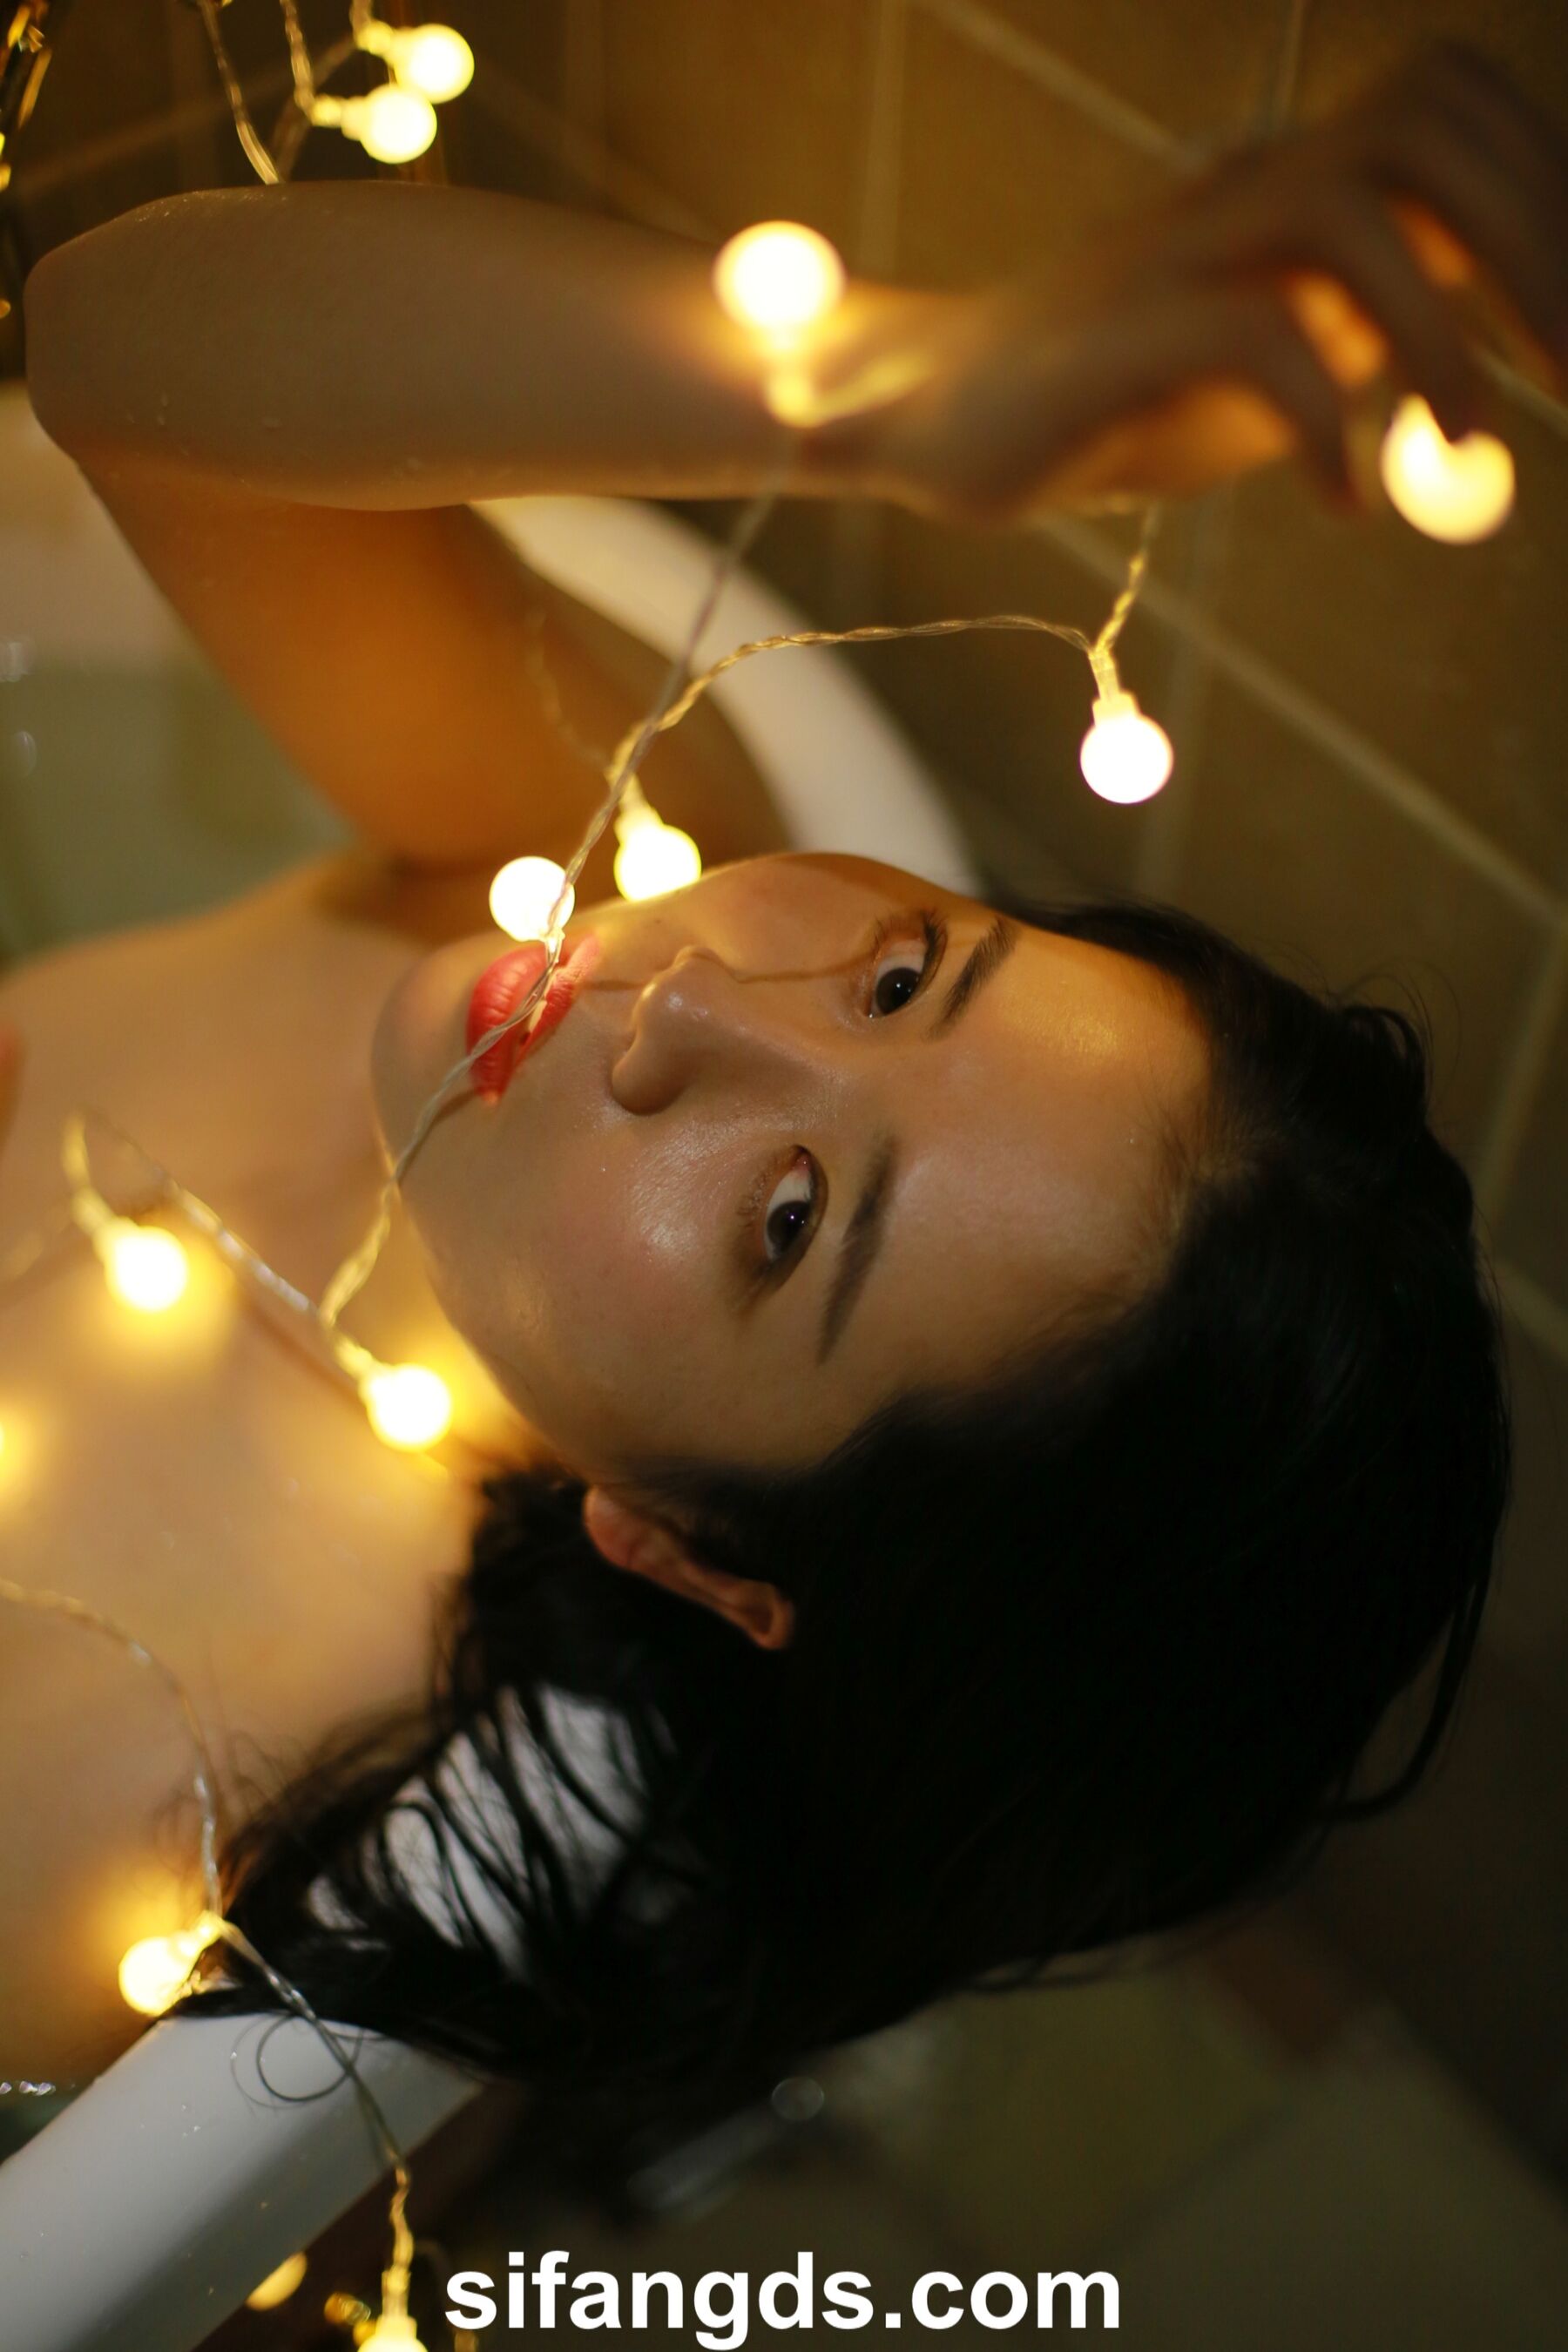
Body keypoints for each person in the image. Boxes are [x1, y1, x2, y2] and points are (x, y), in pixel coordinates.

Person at [6, 43, 1558, 2158]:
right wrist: (888, 386)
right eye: (909, 972)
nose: (690, 1005)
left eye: (791, 1219)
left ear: (697, 1553)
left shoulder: (188, 1832)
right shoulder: (538, 874)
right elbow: (117, 353)